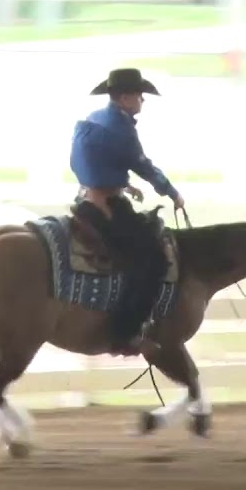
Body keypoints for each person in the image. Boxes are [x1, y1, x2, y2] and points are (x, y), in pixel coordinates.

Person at [68, 67, 186, 357]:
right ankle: (126, 333)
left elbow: (99, 161)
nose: (143, 101)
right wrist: (172, 192)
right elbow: (143, 165)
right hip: (106, 205)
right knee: (153, 259)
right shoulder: (120, 128)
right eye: (139, 96)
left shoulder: (97, 119)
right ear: (124, 98)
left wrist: (124, 185)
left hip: (87, 197)